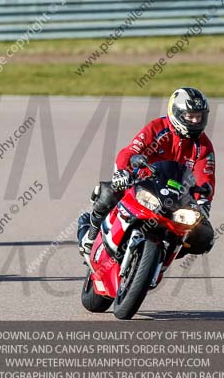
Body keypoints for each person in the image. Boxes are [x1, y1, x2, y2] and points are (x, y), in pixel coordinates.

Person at [79, 87, 216, 257]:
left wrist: (203, 202)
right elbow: (130, 152)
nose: (195, 121)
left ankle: (161, 257)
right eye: (190, 116)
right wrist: (122, 172)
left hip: (176, 199)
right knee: (108, 192)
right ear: (176, 113)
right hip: (144, 186)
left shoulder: (203, 146)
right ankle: (90, 237)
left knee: (205, 236)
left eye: (199, 116)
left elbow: (206, 178)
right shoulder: (157, 127)